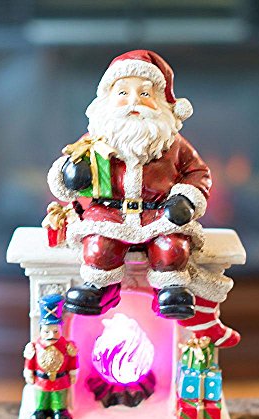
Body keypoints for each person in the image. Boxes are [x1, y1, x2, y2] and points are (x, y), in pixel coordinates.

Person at [48, 49, 211, 320]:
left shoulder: (172, 142)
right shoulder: (96, 138)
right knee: (99, 247)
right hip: (108, 213)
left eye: (145, 93)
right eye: (123, 92)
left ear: (161, 102)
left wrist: (186, 199)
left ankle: (170, 290)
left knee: (172, 248)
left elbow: (198, 172)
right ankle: (100, 287)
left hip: (159, 214)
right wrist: (72, 173)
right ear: (107, 100)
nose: (133, 101)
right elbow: (69, 165)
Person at [23, 294, 78, 419]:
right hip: (42, 379)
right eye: (47, 331)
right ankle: (41, 410)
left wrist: (73, 372)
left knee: (59, 395)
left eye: (55, 331)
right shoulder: (35, 347)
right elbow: (30, 361)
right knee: (41, 396)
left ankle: (59, 410)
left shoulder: (67, 346)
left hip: (60, 379)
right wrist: (29, 372)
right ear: (41, 331)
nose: (52, 335)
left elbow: (72, 360)